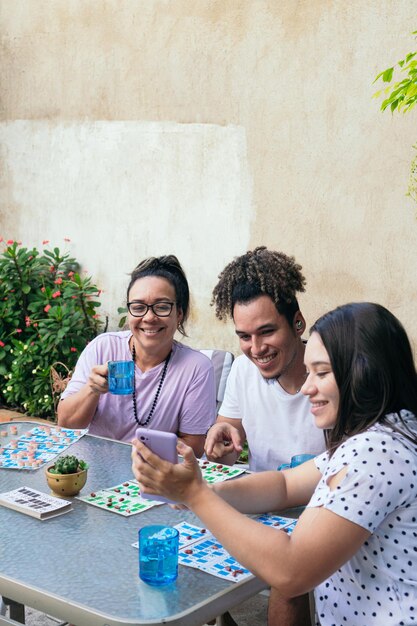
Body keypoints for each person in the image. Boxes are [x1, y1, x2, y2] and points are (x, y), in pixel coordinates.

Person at [132, 302, 417, 626]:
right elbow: (285, 485)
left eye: (322, 373)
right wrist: (207, 491)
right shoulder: (386, 433)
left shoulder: (375, 452)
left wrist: (197, 495)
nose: (308, 387)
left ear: (365, 372)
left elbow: (291, 570)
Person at [57, 255, 216, 457]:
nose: (149, 318)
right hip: (93, 469)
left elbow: (193, 445)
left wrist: (135, 458)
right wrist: (92, 390)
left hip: (153, 476)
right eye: (139, 307)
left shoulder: (196, 368)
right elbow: (66, 425)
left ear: (180, 314)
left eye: (162, 306)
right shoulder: (103, 348)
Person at [205, 246, 325, 472]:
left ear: (298, 323)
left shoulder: (334, 376)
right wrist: (217, 442)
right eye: (244, 336)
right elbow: (224, 456)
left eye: (267, 332)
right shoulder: (242, 370)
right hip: (259, 503)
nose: (257, 349)